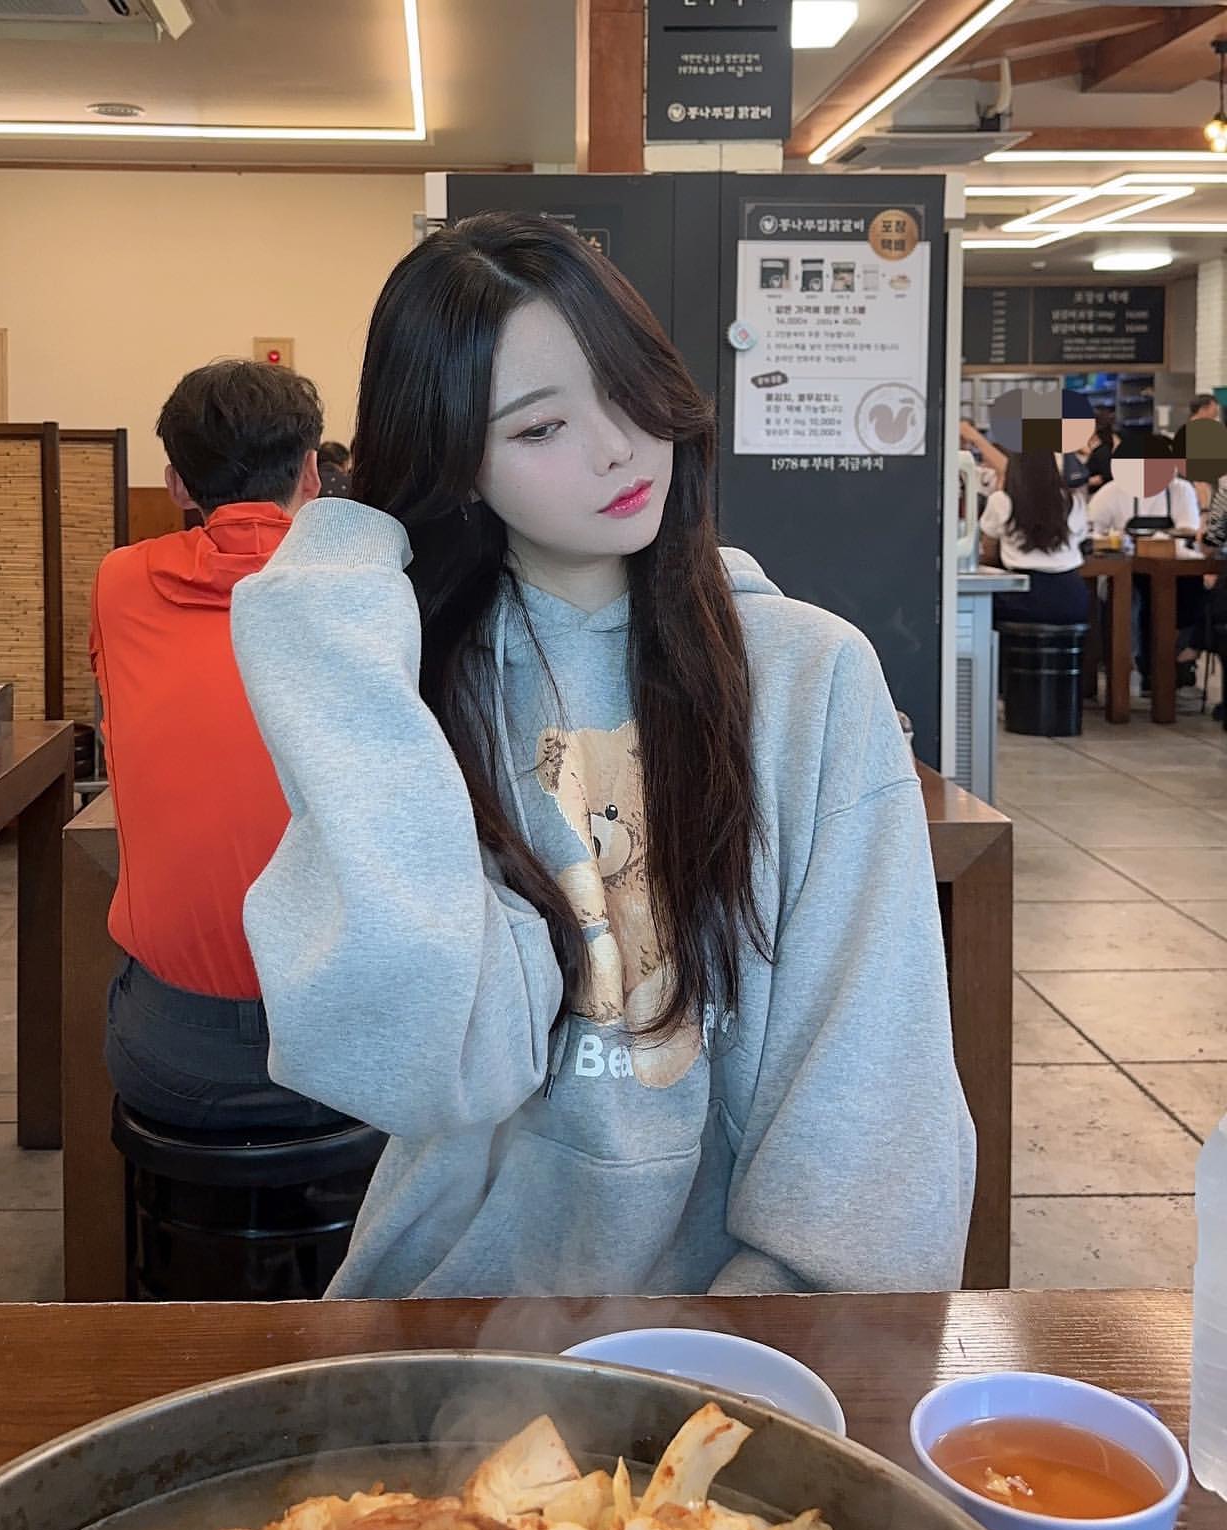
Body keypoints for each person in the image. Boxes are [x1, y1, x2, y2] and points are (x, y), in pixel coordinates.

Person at [230, 212, 973, 1300]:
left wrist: (755, 1340)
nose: (619, 445)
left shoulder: (811, 675)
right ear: (455, 460)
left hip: (745, 1331)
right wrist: (335, 598)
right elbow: (431, 1058)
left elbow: (871, 1096)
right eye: (541, 428)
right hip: (459, 1309)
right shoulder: (426, 691)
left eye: (628, 387)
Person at [89, 358, 345, 1132]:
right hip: (345, 1044)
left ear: (175, 484)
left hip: (174, 1052)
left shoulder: (118, 584)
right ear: (312, 473)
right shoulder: (369, 589)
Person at [1088, 434, 1203, 691]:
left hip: (1175, 569)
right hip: (1125, 571)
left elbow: (1188, 528)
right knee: (1133, 597)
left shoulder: (1181, 490)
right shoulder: (1112, 492)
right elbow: (1091, 530)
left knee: (1192, 589)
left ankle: (1173, 658)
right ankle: (1129, 666)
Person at [978, 449, 1090, 626]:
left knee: (978, 606)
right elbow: (1080, 539)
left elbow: (988, 551)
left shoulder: (1002, 500)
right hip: (1071, 597)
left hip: (1022, 595)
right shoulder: (1074, 502)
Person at [1085, 408, 1118, 492]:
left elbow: (1107, 476)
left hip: (1099, 494)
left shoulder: (1102, 452)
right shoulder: (1102, 449)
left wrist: (1087, 481)